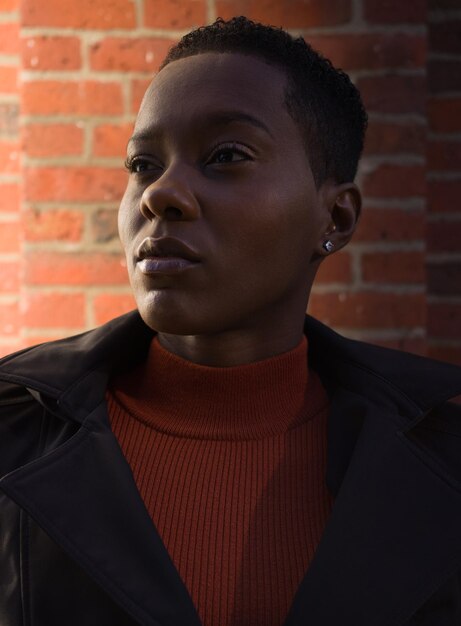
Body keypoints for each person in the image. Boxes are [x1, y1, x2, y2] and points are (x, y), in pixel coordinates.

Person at [0, 16, 460, 626]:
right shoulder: (11, 438)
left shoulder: (443, 461)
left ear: (337, 218)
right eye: (142, 164)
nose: (159, 195)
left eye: (225, 156)